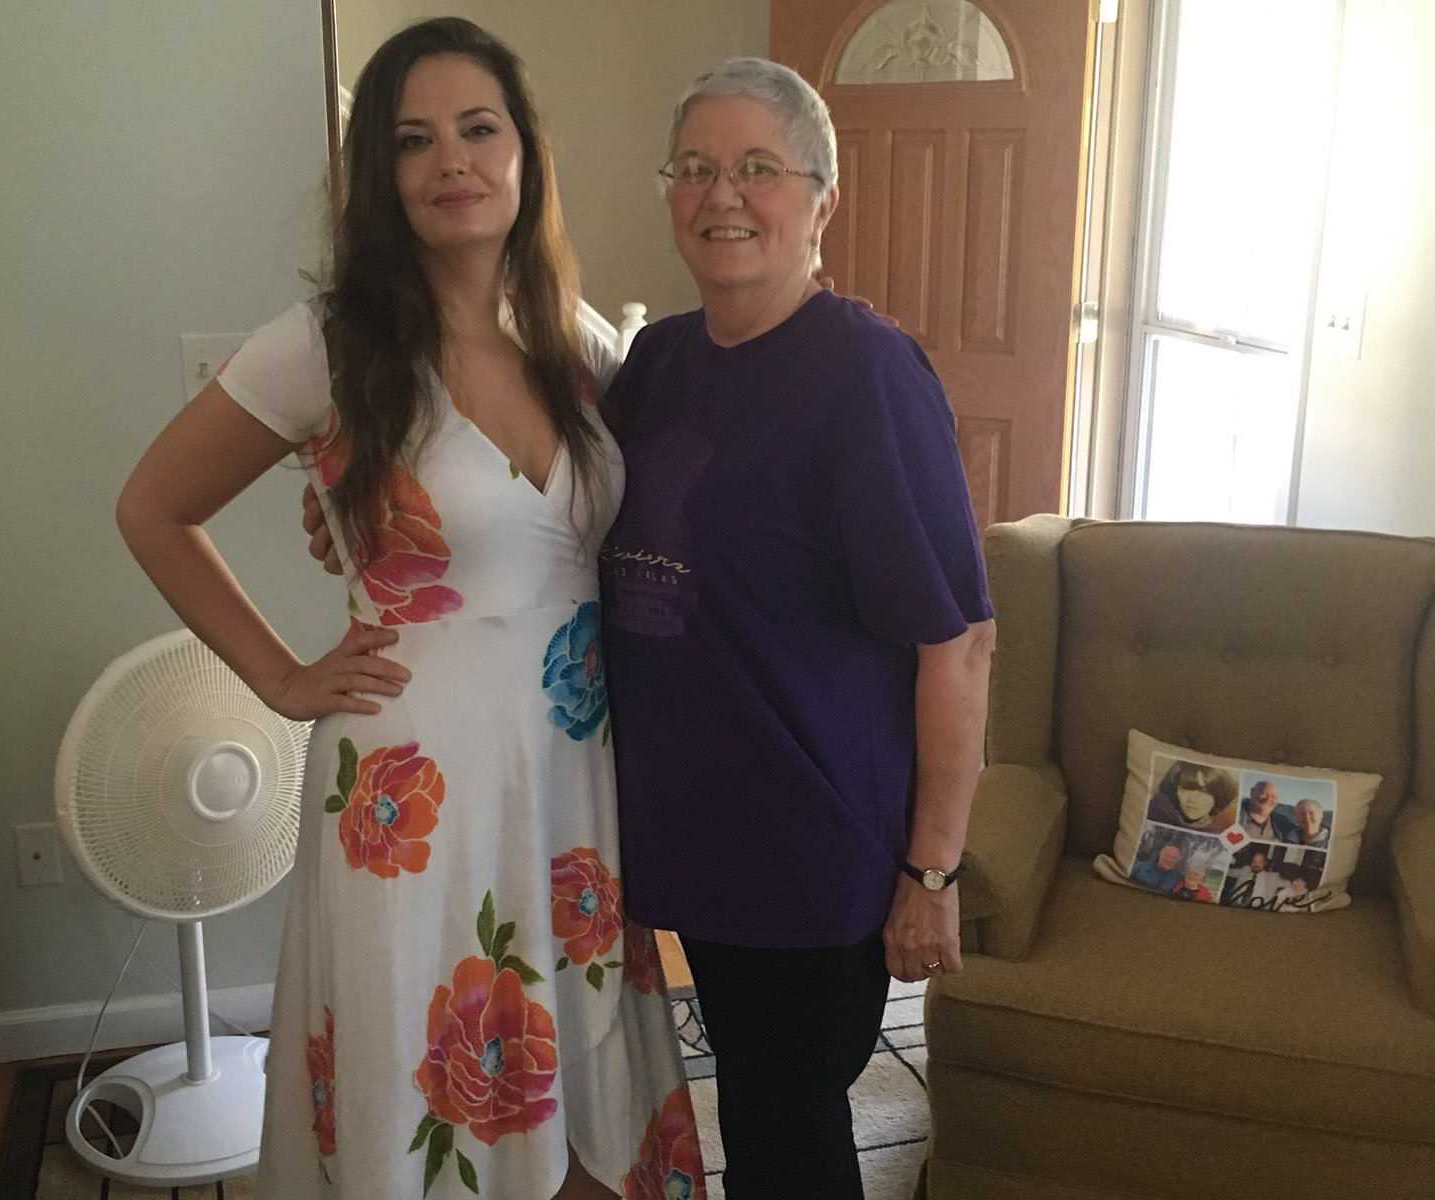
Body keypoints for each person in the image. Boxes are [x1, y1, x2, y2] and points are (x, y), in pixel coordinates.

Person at [308, 54, 993, 1197]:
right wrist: (360, 512)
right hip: (685, 840)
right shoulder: (659, 364)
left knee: (788, 1132)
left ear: (823, 198)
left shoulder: (868, 375)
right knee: (743, 1105)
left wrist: (933, 866)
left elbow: (956, 638)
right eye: (697, 168)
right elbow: (534, 504)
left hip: (810, 853)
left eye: (759, 169)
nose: (724, 196)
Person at [117, 19, 699, 1200]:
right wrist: (281, 678)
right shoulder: (325, 346)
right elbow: (152, 509)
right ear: (381, 178)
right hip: (407, 794)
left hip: (569, 779)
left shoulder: (574, 341)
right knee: (423, 1093)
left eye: (479, 130)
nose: (453, 161)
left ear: (525, 153)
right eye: (414, 141)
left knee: (580, 1091)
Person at [1146, 761, 1239, 833]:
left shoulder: (1225, 828)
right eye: (1185, 789)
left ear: (1218, 796)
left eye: (1204, 792)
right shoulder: (1156, 812)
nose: (1192, 799)